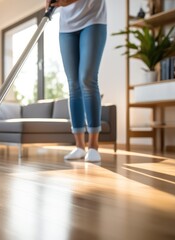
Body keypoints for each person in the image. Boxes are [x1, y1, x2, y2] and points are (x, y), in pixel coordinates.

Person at [46, 0, 107, 162]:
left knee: (87, 79)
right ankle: (79, 146)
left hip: (93, 19)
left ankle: (93, 145)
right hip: (67, 26)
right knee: (73, 84)